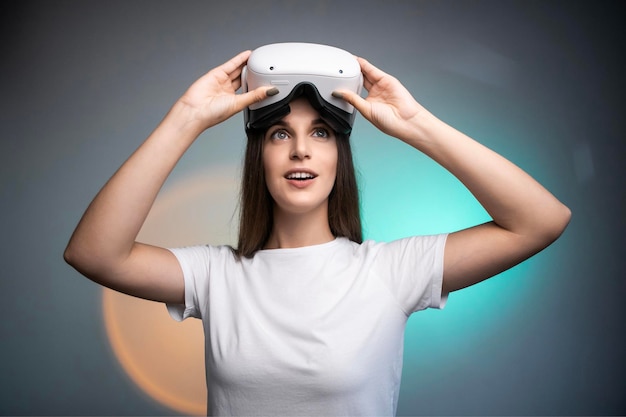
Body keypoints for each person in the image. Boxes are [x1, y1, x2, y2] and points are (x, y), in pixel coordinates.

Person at [64, 44, 571, 416]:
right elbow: (93, 252)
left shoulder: (389, 272)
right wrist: (186, 119)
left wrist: (417, 124)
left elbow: (541, 220)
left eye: (321, 133)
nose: (300, 151)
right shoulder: (216, 275)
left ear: (338, 157)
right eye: (280, 133)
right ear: (258, 156)